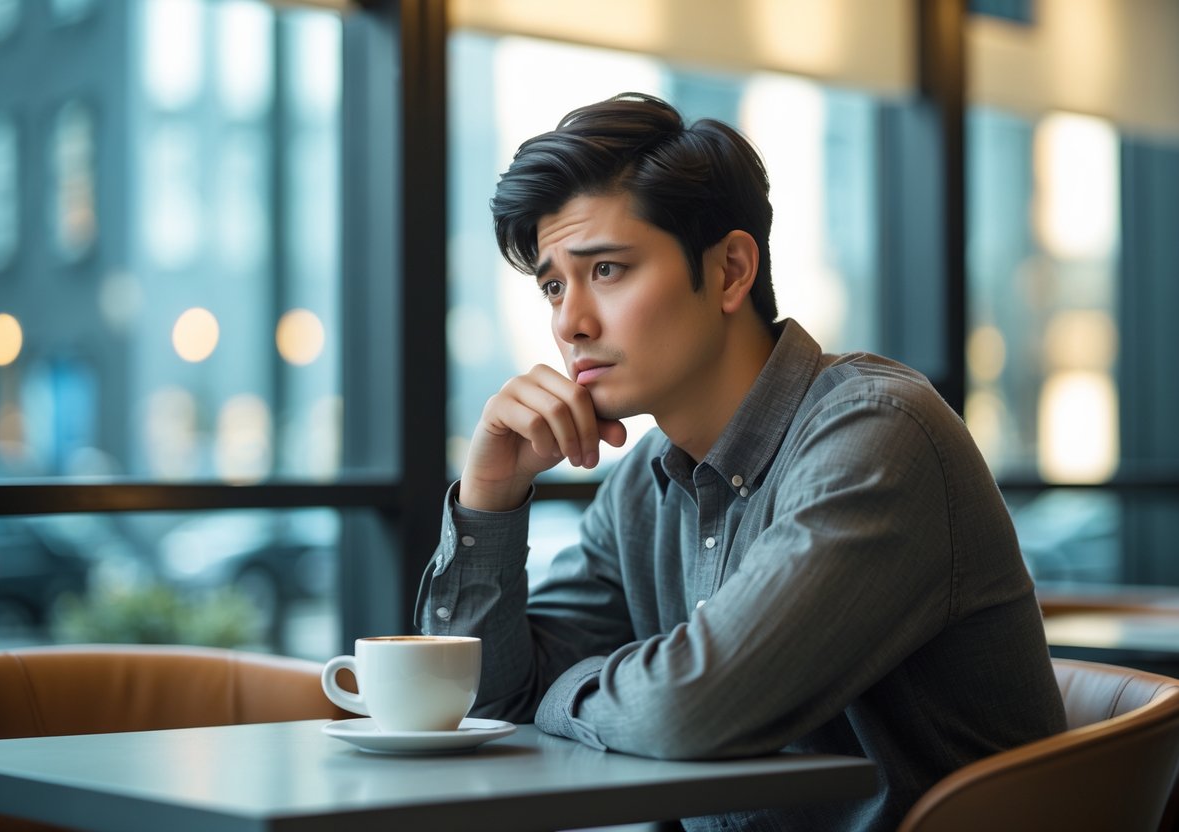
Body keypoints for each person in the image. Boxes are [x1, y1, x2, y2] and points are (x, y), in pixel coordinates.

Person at [417, 92, 1065, 831]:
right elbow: (484, 699)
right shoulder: (644, 483)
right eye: (554, 285)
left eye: (607, 271)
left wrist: (565, 692)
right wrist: (489, 497)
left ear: (729, 271)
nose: (570, 323)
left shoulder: (877, 436)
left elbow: (685, 713)